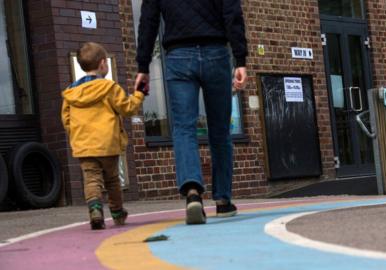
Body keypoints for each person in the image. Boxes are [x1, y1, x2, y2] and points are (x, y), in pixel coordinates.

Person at [135, 0, 248, 224]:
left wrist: (143, 66)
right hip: (216, 52)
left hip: (178, 55)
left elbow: (148, 21)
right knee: (220, 131)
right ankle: (223, 201)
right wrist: (240, 59)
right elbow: (232, 13)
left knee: (184, 128)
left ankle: (192, 191)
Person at [61, 42, 148, 230]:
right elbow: (128, 108)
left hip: (84, 146)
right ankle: (117, 213)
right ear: (102, 64)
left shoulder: (71, 92)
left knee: (91, 179)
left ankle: (95, 210)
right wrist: (139, 94)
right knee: (112, 180)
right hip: (107, 143)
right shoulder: (110, 88)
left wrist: (77, 134)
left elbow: (66, 119)